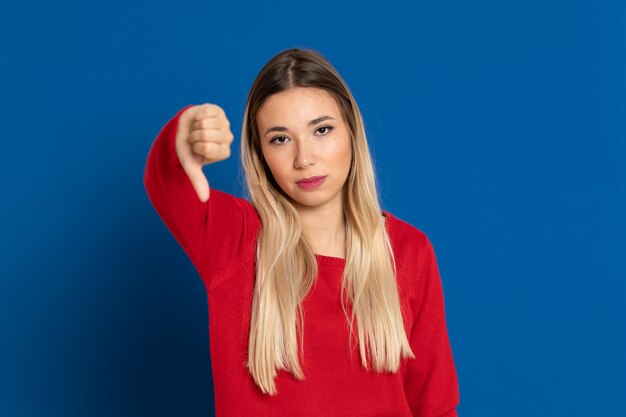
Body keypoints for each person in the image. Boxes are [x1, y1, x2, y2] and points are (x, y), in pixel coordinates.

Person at [144, 47, 460, 417]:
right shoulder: (236, 240)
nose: (303, 158)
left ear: (352, 132)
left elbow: (434, 406)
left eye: (322, 130)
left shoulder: (408, 250)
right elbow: (166, 183)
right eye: (280, 138)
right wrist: (184, 133)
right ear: (260, 153)